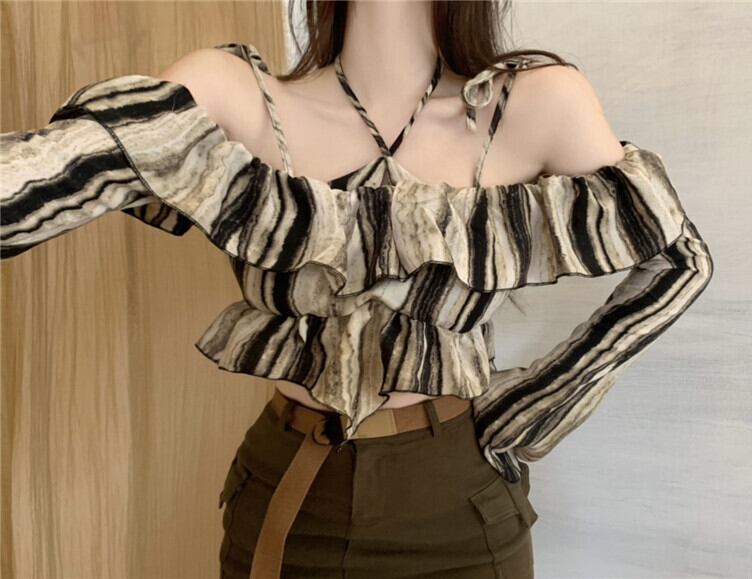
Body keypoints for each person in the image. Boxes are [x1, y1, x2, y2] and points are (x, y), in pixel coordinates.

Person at [0, 2, 714, 578]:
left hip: (457, 504)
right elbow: (39, 181)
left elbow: (679, 260)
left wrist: (535, 405)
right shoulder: (236, 93)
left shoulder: (533, 103)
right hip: (289, 494)